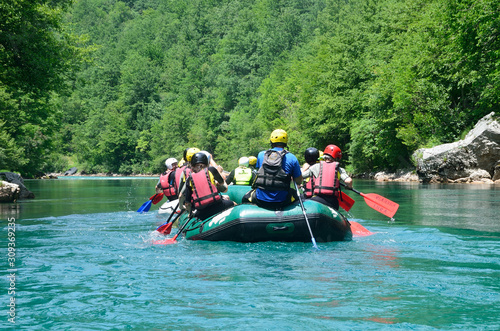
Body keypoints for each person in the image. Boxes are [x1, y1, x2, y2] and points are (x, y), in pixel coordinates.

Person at [243, 129, 303, 209]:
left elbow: (261, 172)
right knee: (301, 196)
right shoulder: (292, 157)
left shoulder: (261, 155)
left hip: (261, 200)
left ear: (271, 141)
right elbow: (299, 181)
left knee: (245, 197)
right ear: (285, 142)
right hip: (282, 201)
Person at [179, 152, 236, 220]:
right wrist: (219, 174)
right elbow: (223, 186)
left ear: (192, 165)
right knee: (234, 203)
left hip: (202, 212)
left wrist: (190, 213)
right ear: (206, 163)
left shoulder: (189, 179)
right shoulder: (212, 170)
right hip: (218, 206)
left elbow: (187, 203)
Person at [301, 144, 353, 210]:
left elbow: (300, 176)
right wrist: (349, 187)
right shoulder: (339, 169)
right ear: (336, 158)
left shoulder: (316, 167)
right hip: (332, 203)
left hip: (318, 200)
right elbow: (349, 181)